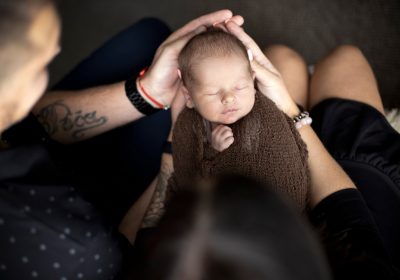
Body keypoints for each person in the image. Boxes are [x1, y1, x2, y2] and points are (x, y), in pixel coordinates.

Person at [120, 19, 400, 279]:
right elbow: (347, 213)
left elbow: (135, 240)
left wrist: (178, 141)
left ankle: (296, 84)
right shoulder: (360, 266)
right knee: (344, 60)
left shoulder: (160, 265)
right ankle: (307, 91)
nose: (229, 96)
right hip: (355, 201)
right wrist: (290, 110)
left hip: (260, 141)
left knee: (281, 57)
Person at [0, 0, 244, 278]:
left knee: (150, 36)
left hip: (35, 153)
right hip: (110, 238)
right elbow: (131, 257)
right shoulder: (78, 250)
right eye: (42, 65)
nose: (57, 51)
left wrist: (148, 93)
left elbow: (25, 126)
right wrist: (177, 148)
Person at [167, 27, 310, 211]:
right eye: (212, 92)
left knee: (285, 57)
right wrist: (213, 150)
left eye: (240, 87)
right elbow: (189, 181)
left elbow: (288, 140)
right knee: (284, 57)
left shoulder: (264, 107)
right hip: (241, 219)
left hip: (292, 205)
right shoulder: (190, 127)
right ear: (188, 96)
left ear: (252, 80)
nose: (229, 98)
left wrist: (295, 118)